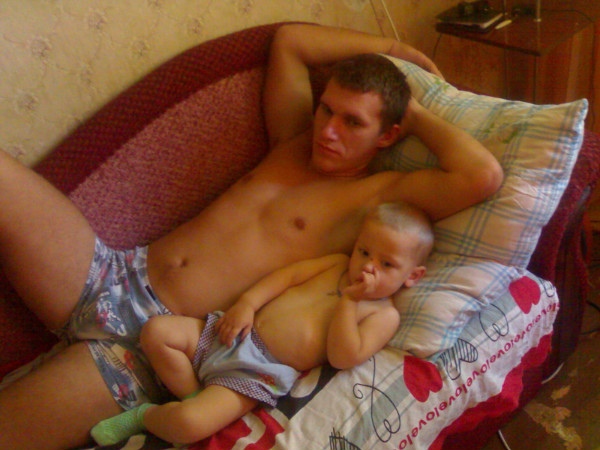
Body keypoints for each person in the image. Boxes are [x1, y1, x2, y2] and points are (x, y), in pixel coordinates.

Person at [0, 23, 502, 450]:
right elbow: (290, 42)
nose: (328, 131)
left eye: (353, 122)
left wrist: (414, 111)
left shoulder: (374, 199)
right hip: (111, 271)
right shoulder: (291, 140)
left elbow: (482, 176)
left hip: (150, 353)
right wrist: (392, 50)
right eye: (327, 110)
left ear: (387, 135)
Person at [90, 202, 433, 445]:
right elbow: (287, 278)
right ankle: (195, 394)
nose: (368, 267)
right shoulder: (336, 264)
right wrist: (247, 304)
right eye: (364, 252)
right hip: (231, 331)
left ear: (413, 276)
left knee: (188, 424)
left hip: (255, 373)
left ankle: (146, 416)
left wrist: (350, 302)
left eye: (387, 264)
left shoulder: (383, 315)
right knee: (156, 331)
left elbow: (344, 356)